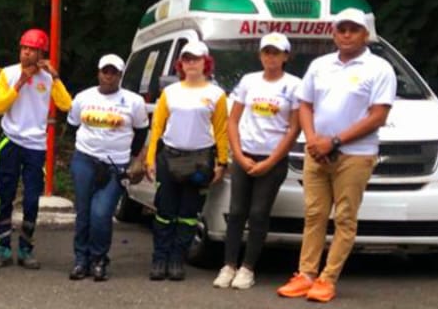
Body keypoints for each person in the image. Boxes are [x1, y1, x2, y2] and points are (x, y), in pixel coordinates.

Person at [277, 9, 396, 303]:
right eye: (341, 29)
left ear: (364, 34)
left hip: (354, 154)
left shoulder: (379, 68)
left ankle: (327, 278)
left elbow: (378, 115)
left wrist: (336, 141)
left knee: (344, 217)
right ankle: (305, 275)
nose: (346, 34)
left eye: (353, 29)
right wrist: (313, 139)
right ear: (333, 33)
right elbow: (304, 104)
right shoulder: (320, 65)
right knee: (314, 214)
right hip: (317, 152)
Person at [213, 33, 301, 291]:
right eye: (266, 52)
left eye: (276, 52)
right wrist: (238, 155)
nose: (270, 57)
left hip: (273, 159)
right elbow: (233, 120)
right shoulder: (249, 81)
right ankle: (229, 265)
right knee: (237, 211)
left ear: (286, 56)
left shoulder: (294, 85)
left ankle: (247, 268)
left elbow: (294, 129)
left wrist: (272, 160)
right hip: (245, 154)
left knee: (259, 213)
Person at [144, 39, 229, 280]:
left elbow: (221, 130)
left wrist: (222, 162)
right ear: (181, 64)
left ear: (206, 62)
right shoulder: (170, 92)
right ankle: (160, 259)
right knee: (164, 211)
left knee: (189, 214)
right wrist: (150, 158)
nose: (191, 63)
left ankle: (177, 260)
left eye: (196, 59)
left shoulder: (216, 94)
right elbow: (157, 127)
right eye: (187, 59)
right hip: (170, 156)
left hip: (200, 159)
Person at [0, 28, 73, 268]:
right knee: (5, 196)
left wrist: (56, 77)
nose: (26, 54)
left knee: (31, 200)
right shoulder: (8, 73)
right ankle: (3, 246)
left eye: (32, 50)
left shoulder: (48, 78)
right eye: (24, 48)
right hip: (11, 141)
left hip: (35, 146)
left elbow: (66, 105)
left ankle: (26, 248)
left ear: (40, 54)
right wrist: (20, 83)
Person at [66, 53, 149, 281]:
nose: (109, 76)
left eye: (114, 72)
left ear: (120, 75)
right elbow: (72, 125)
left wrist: (133, 159)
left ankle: (99, 258)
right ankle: (81, 259)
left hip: (115, 164)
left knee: (101, 214)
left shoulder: (134, 102)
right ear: (99, 72)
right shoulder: (83, 97)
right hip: (85, 160)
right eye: (105, 71)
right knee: (83, 213)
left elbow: (141, 132)